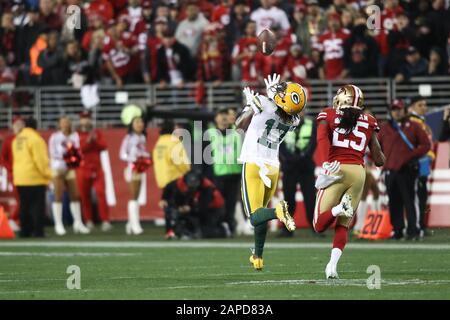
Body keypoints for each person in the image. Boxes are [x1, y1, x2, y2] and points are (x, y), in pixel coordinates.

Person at [235, 73, 306, 270]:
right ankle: (257, 256)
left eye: (283, 89)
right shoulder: (294, 120)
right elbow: (282, 111)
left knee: (255, 215)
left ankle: (278, 211)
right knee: (261, 214)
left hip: (254, 162)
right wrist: (272, 98)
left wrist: (250, 105)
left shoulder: (263, 103)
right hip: (273, 166)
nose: (279, 88)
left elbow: (238, 125)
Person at [314, 85, 385, 279]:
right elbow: (379, 160)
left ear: (340, 100)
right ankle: (332, 266)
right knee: (343, 226)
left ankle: (337, 209)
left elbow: (321, 139)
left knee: (319, 225)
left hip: (336, 168)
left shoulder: (328, 114)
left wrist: (325, 165)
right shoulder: (370, 121)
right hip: (358, 173)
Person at [378, 99, 431, 240]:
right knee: (394, 202)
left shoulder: (414, 126)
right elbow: (376, 147)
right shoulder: (384, 128)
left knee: (410, 200)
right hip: (390, 170)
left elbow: (426, 145)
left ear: (405, 110)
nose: (396, 112)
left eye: (399, 109)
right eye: (394, 109)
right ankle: (398, 230)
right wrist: (379, 160)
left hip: (407, 170)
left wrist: (410, 156)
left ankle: (414, 230)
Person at [49, 116, 89, 236]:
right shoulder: (55, 136)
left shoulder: (74, 135)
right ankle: (58, 224)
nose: (65, 124)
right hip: (58, 168)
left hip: (70, 168)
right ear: (59, 124)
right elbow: (52, 153)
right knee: (58, 195)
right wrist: (66, 157)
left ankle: (78, 222)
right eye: (63, 123)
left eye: (67, 122)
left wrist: (75, 159)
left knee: (75, 195)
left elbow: (77, 150)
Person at [279, 109, 317, 237]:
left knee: (310, 198)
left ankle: (315, 227)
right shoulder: (283, 124)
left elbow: (313, 144)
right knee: (288, 199)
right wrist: (291, 158)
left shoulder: (311, 123)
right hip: (290, 167)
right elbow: (280, 145)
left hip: (305, 166)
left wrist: (301, 156)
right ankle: (287, 229)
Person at [160, 170, 229, 239]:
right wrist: (163, 199)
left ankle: (223, 229)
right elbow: (168, 188)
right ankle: (171, 232)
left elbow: (203, 208)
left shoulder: (207, 188)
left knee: (203, 232)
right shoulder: (180, 182)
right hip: (195, 206)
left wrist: (190, 209)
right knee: (171, 210)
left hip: (214, 209)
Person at [12, 117, 52, 238]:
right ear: (35, 126)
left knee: (24, 206)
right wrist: (48, 175)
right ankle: (38, 231)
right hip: (34, 178)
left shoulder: (17, 139)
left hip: (20, 178)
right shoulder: (36, 139)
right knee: (37, 207)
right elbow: (40, 160)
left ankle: (25, 231)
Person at [206, 108, 242, 235]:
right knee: (218, 202)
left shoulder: (237, 132)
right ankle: (219, 226)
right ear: (216, 118)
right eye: (221, 116)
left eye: (225, 116)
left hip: (234, 173)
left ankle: (230, 226)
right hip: (218, 174)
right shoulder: (210, 133)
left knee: (231, 203)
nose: (223, 119)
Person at [153, 120, 191, 239]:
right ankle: (176, 230)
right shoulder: (174, 142)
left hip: (162, 178)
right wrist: (187, 171)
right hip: (175, 177)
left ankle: (169, 230)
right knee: (177, 206)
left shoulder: (159, 142)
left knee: (167, 206)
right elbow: (181, 161)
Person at [76, 111, 111, 231]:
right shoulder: (77, 134)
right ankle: (88, 220)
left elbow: (104, 146)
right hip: (82, 169)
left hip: (97, 168)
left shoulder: (97, 133)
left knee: (101, 193)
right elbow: (78, 150)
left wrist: (95, 140)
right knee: (84, 196)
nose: (85, 121)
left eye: (87, 118)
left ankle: (105, 220)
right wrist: (88, 142)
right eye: (83, 118)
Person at [408, 96, 435, 238]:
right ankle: (417, 226)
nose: (424, 107)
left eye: (425, 104)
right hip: (418, 162)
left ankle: (420, 225)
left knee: (421, 194)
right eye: (420, 105)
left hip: (423, 162)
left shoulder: (421, 122)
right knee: (418, 195)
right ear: (411, 108)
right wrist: (429, 154)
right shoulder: (414, 122)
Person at [120, 115, 151, 235]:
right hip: (132, 168)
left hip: (140, 168)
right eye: (137, 122)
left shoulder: (142, 137)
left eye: (141, 122)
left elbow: (141, 150)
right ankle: (135, 225)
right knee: (133, 196)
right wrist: (133, 159)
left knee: (137, 197)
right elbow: (122, 154)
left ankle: (130, 223)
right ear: (132, 125)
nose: (139, 124)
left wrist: (145, 157)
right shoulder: (128, 138)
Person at [0, 117, 24, 232]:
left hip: (26, 172)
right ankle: (13, 219)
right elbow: (3, 158)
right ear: (13, 126)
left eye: (21, 124)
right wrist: (11, 169)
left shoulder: (26, 138)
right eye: (17, 124)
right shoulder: (9, 140)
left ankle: (20, 220)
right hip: (14, 173)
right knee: (19, 197)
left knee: (25, 197)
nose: (19, 126)